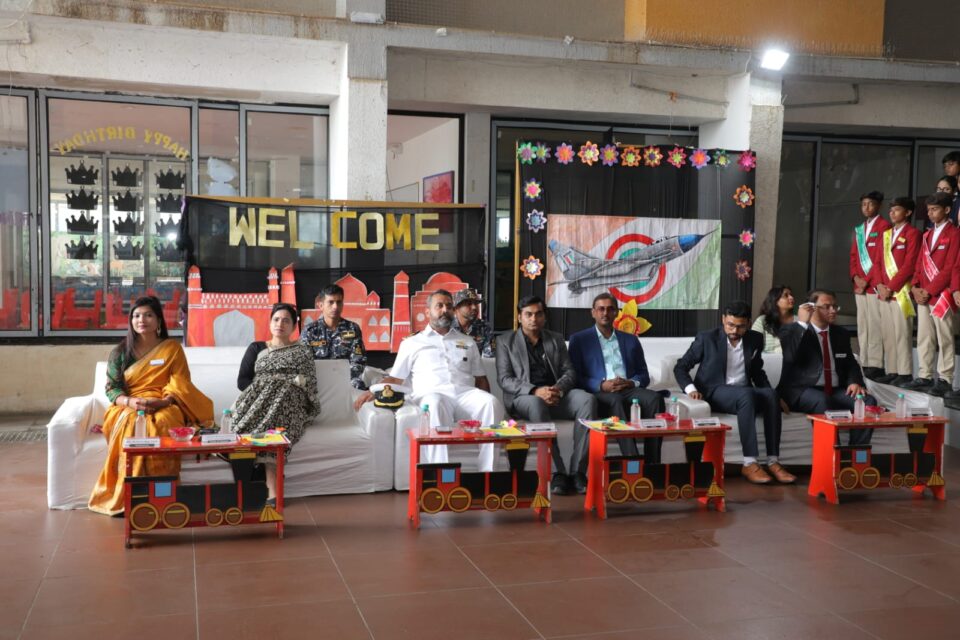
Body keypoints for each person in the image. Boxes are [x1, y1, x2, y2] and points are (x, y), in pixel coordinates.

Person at [89, 296, 214, 516]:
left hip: (165, 402)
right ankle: (129, 495)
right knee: (131, 422)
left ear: (158, 321)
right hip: (128, 404)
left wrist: (164, 402)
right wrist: (131, 401)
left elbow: (181, 382)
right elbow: (112, 389)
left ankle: (163, 495)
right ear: (131, 321)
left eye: (148, 315)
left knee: (163, 421)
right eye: (136, 315)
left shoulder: (172, 349)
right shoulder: (120, 352)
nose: (142, 320)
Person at [367, 289, 504, 470]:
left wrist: (487, 396)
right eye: (439, 306)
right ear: (427, 312)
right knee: (435, 403)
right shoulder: (411, 343)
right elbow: (396, 379)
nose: (445, 310)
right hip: (432, 394)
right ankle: (441, 474)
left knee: (491, 403)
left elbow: (481, 379)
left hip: (464, 394)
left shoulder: (467, 341)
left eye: (448, 306)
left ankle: (489, 472)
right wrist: (372, 391)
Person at [674, 301, 794, 485]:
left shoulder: (755, 339)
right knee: (746, 395)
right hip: (715, 390)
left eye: (741, 327)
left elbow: (757, 372)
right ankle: (749, 463)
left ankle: (773, 461)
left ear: (748, 323)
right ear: (723, 319)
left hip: (743, 391)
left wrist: (774, 395)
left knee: (770, 395)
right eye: (730, 325)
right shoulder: (707, 338)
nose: (735, 331)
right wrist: (692, 390)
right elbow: (681, 367)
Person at [497, 296, 597, 495]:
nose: (534, 319)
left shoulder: (555, 339)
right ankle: (557, 471)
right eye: (528, 314)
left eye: (538, 314)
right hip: (525, 398)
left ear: (544, 317)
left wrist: (557, 390)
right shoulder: (505, 341)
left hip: (555, 394)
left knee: (587, 400)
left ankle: (578, 472)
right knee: (537, 403)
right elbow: (505, 379)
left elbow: (569, 372)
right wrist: (535, 390)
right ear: (519, 317)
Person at [233, 303, 319, 505]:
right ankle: (272, 489)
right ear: (270, 323)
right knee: (276, 400)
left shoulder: (302, 352)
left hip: (291, 402)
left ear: (294, 326)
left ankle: (269, 485)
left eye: (286, 320)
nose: (280, 324)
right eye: (276, 319)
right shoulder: (257, 348)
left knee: (284, 392)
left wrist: (282, 383)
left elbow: (309, 383)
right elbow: (242, 382)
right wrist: (269, 386)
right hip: (258, 401)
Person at [568, 293, 663, 468]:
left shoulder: (630, 340)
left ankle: (652, 465)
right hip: (600, 392)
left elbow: (643, 374)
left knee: (655, 399)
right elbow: (574, 376)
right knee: (615, 400)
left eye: (610, 309)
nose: (605, 313)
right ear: (593, 312)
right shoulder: (579, 340)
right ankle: (633, 462)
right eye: (601, 309)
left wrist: (630, 382)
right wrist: (600, 385)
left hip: (628, 389)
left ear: (616, 313)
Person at [779, 290, 876, 445]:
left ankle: (856, 452)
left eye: (835, 306)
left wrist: (854, 381)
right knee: (822, 400)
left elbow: (850, 363)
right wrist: (803, 324)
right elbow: (790, 355)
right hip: (802, 390)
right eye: (826, 307)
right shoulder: (791, 330)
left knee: (867, 401)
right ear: (811, 308)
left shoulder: (840, 333)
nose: (833, 310)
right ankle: (833, 453)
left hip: (835, 390)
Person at [903, 193, 959, 396]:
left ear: (947, 210)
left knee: (945, 338)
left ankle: (945, 378)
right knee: (924, 337)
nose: (930, 213)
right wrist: (915, 287)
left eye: (935, 209)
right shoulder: (927, 234)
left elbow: (950, 267)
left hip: (941, 295)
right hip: (923, 295)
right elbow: (919, 264)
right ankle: (925, 375)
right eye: (928, 210)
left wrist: (929, 290)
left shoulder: (955, 234)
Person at [299, 285, 369, 409]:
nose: (335, 306)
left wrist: (341, 380)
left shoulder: (352, 328)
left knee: (359, 387)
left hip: (346, 378)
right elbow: (304, 362)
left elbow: (358, 360)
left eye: (339, 302)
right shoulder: (310, 330)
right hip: (318, 379)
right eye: (331, 302)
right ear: (321, 305)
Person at [875, 197, 920, 386]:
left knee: (902, 334)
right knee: (888, 334)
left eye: (897, 209)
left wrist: (891, 287)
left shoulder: (913, 233)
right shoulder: (886, 234)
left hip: (901, 293)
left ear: (908, 213)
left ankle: (905, 372)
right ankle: (892, 370)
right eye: (891, 210)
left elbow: (910, 265)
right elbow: (877, 263)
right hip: (883, 293)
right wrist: (879, 285)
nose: (892, 213)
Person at [849, 191, 890, 380]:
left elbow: (880, 258)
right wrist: (855, 277)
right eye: (863, 204)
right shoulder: (859, 229)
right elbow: (853, 256)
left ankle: (875, 363)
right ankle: (864, 360)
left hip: (873, 285)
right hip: (859, 286)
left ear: (879, 206)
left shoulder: (884, 226)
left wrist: (866, 280)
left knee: (874, 325)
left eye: (870, 204)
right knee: (863, 325)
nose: (866, 208)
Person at [452, 288, 496, 358]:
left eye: (476, 303)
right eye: (468, 304)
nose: (474, 307)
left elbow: (489, 357)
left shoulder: (483, 327)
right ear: (457, 308)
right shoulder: (447, 328)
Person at [751, 285, 796, 353]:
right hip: (767, 359)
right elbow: (752, 346)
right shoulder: (762, 320)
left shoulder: (798, 320)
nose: (791, 297)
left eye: (791, 295)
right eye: (786, 295)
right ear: (775, 300)